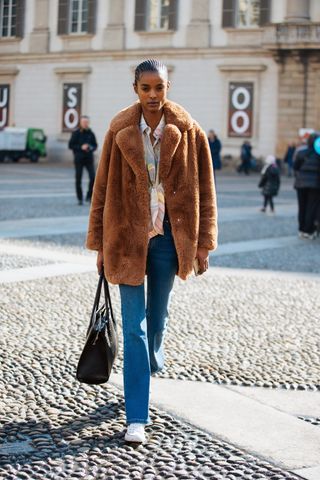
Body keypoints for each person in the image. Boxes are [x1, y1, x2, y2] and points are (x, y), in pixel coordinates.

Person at [85, 59, 218, 444]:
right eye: (146, 88)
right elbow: (102, 190)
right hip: (127, 239)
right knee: (134, 330)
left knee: (156, 320)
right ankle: (136, 418)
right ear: (136, 90)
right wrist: (98, 243)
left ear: (168, 87)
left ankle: (150, 362)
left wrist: (204, 243)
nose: (154, 95)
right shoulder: (118, 130)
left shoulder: (189, 131)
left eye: (159, 87)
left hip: (169, 242)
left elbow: (205, 191)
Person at [293, 132, 320, 239]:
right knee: (311, 208)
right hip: (315, 185)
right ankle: (308, 231)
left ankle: (301, 229)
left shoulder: (301, 153)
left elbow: (295, 167)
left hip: (300, 183)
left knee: (302, 207)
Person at [68, 115, 98, 205]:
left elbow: (95, 145)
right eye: (84, 122)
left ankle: (89, 196)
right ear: (80, 123)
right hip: (79, 159)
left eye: (87, 122)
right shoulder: (76, 133)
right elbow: (70, 145)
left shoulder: (91, 133)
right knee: (78, 179)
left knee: (93, 177)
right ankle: (80, 198)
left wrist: (90, 147)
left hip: (89, 158)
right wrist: (81, 147)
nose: (85, 124)